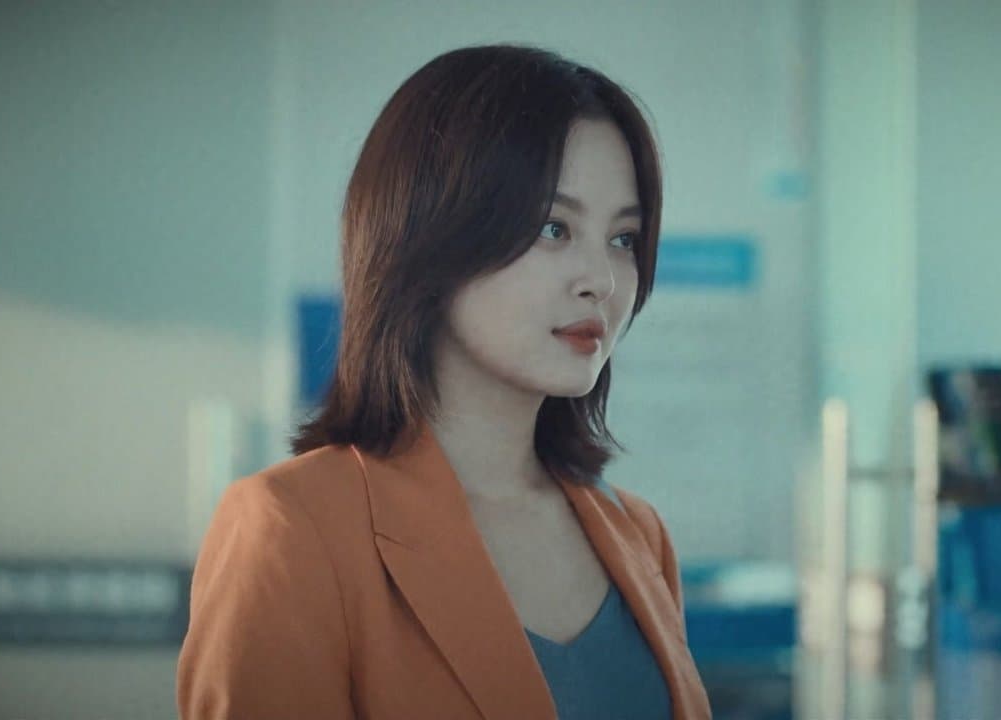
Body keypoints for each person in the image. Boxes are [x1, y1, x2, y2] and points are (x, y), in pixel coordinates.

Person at [176, 45, 712, 719]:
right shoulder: (295, 527)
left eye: (624, 239)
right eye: (554, 228)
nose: (602, 281)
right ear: (433, 236)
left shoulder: (638, 534)